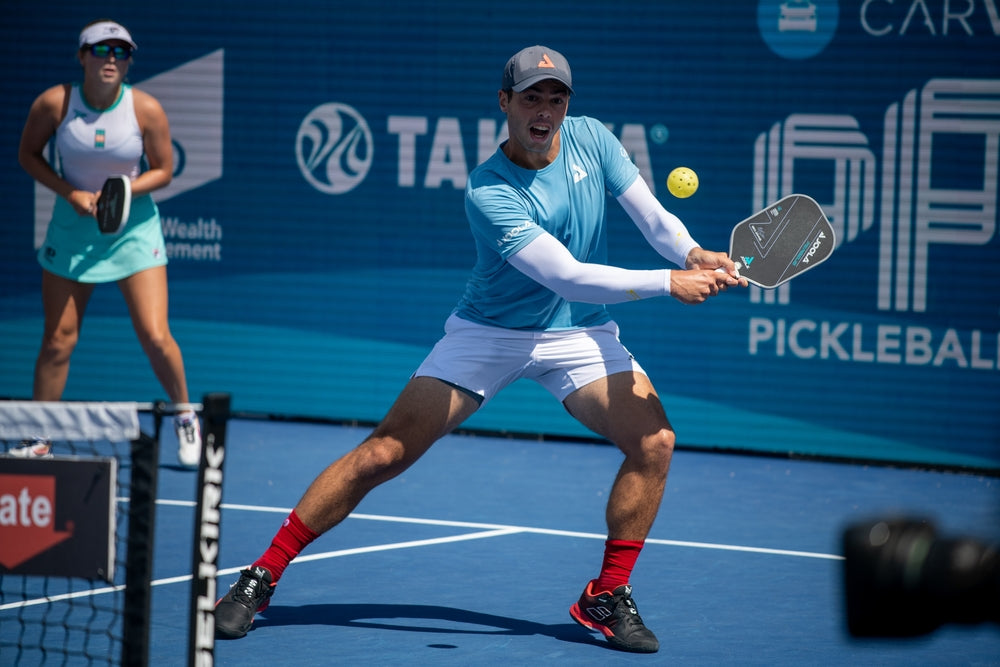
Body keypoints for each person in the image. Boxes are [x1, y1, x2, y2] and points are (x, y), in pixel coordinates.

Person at [215, 45, 745, 653]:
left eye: (556, 98)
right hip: (489, 334)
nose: (544, 110)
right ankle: (262, 575)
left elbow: (652, 218)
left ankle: (606, 594)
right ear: (504, 103)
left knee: (655, 442)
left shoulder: (593, 139)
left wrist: (691, 253)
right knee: (383, 454)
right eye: (531, 97)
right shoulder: (488, 190)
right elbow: (567, 275)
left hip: (579, 333)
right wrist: (668, 283)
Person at [14, 19, 201, 467]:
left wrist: (121, 191)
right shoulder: (54, 103)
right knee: (58, 340)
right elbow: (28, 155)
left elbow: (164, 170)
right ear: (82, 57)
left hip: (133, 232)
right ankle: (39, 436)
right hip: (73, 230)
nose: (112, 58)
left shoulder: (146, 109)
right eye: (101, 50)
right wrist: (70, 193)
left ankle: (184, 414)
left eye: (121, 51)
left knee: (156, 336)